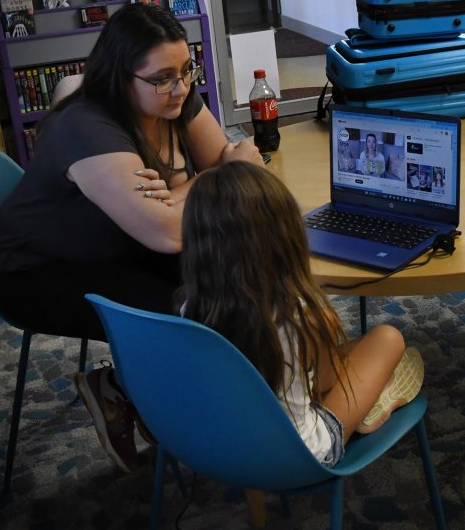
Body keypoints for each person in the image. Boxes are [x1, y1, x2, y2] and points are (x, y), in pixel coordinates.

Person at [0, 3, 263, 472]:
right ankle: (119, 390)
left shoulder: (170, 95)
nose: (181, 87)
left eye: (186, 70)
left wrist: (178, 191)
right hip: (39, 270)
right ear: (120, 75)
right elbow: (170, 230)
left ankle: (190, 401)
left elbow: (220, 166)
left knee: (231, 276)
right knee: (186, 315)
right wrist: (198, 186)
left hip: (113, 241)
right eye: (162, 78)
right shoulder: (86, 127)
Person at [178, 161, 424, 464]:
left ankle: (368, 390)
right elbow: (322, 378)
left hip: (222, 443)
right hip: (302, 455)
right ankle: (368, 402)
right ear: (286, 240)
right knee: (388, 338)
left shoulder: (191, 309)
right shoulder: (297, 317)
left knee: (346, 350)